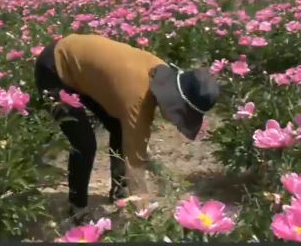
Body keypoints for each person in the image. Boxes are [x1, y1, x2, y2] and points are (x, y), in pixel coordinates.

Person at [34, 34, 219, 225]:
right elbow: (135, 161)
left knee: (119, 129)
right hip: (55, 67)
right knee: (84, 143)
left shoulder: (160, 72)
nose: (174, 120)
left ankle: (119, 192)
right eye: (178, 114)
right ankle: (77, 208)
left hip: (84, 69)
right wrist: (143, 209)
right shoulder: (138, 99)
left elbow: (133, 141)